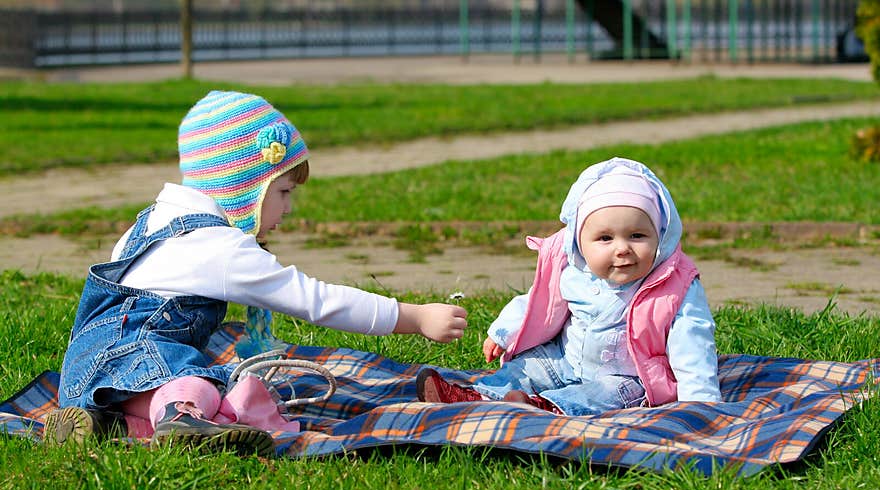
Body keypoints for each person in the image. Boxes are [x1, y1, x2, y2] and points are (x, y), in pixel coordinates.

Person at [44, 89, 468, 456]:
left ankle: (109, 428)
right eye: (283, 192)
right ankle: (182, 419)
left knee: (180, 389)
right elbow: (315, 300)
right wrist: (414, 317)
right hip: (148, 365)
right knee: (203, 384)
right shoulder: (219, 248)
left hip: (88, 378)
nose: (288, 209)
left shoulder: (152, 221)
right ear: (244, 187)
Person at [416, 156, 721, 416]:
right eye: (605, 238)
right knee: (525, 367)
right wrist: (504, 332)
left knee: (605, 394)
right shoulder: (575, 272)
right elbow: (539, 302)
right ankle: (478, 397)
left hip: (627, 377)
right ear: (579, 242)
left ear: (660, 236)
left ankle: (544, 408)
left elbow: (693, 344)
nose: (622, 248)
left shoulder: (673, 287)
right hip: (564, 361)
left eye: (637, 236)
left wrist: (701, 404)